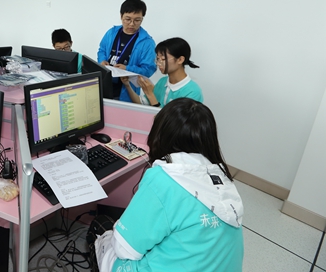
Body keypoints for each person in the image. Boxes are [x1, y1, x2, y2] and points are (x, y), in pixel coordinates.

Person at [91, 98, 244, 272]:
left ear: (160, 134)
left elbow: (123, 250)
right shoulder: (222, 178)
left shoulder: (163, 178)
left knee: (101, 227)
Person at [97, 0, 156, 102]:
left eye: (137, 20)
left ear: (142, 19)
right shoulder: (111, 33)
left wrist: (127, 69)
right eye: (128, 19)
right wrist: (102, 61)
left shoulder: (147, 42)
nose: (132, 24)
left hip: (126, 92)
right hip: (104, 85)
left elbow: (148, 70)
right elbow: (101, 50)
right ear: (121, 16)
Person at [125, 37, 203, 107]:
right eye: (158, 59)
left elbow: (169, 118)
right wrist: (127, 85)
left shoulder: (192, 92)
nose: (158, 63)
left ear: (180, 60)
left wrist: (150, 94)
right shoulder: (162, 82)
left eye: (163, 59)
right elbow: (142, 103)